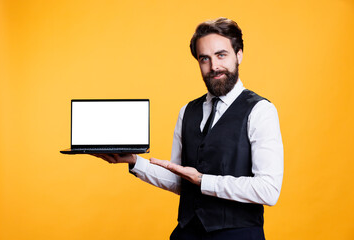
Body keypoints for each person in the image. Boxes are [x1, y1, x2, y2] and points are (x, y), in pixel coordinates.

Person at [92, 17, 283, 240]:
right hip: (188, 233)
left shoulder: (260, 110)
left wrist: (203, 180)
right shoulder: (187, 111)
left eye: (221, 55)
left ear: (239, 54)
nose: (214, 67)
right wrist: (134, 161)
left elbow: (268, 190)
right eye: (205, 59)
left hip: (238, 234)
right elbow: (180, 181)